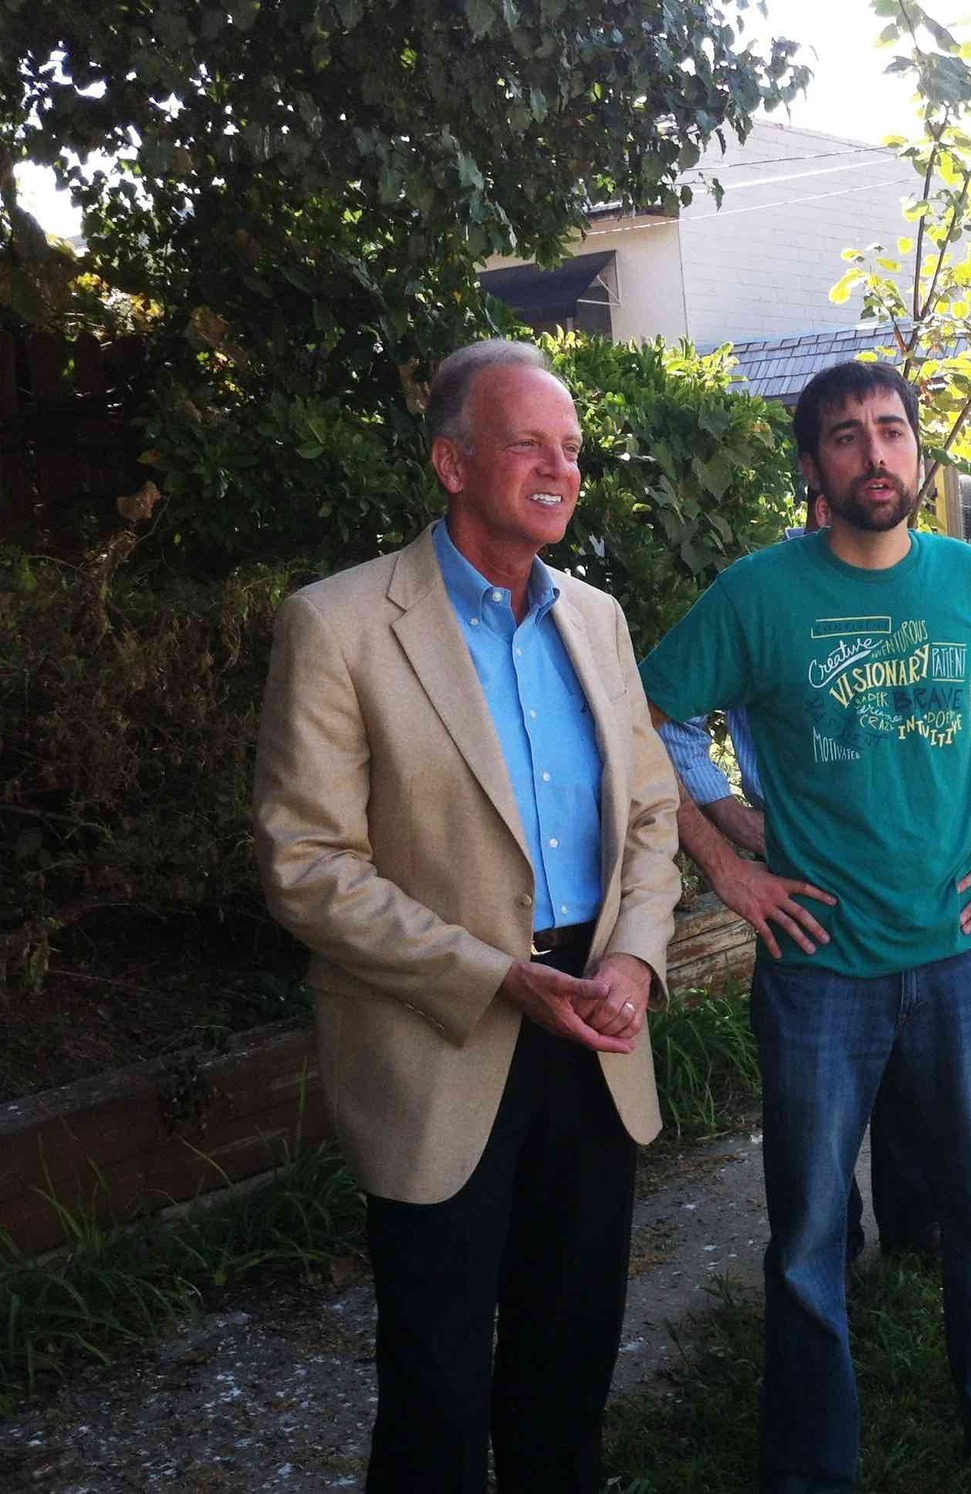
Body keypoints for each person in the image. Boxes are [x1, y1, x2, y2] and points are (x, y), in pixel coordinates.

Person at [637, 360, 971, 1489]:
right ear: (812, 468)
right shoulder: (757, 595)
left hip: (953, 958)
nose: (874, 455)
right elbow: (641, 718)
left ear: (913, 450)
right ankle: (812, 1468)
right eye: (845, 438)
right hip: (816, 969)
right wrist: (726, 866)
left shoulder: (965, 580)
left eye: (890, 431)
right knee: (803, 1243)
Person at [251, 339, 681, 1491]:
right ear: (451, 460)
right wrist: (496, 976)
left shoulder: (597, 618)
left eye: (573, 448)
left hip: (595, 1025)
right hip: (444, 1031)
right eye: (528, 443)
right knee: (436, 1384)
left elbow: (649, 816)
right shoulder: (339, 624)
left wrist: (634, 960)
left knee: (569, 1361)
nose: (559, 467)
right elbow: (305, 863)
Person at [659, 494, 938, 1262]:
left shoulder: (919, 579)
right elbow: (659, 718)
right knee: (817, 1109)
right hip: (810, 888)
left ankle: (915, 1240)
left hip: (918, 902)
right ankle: (830, 1250)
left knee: (913, 1092)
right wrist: (726, 828)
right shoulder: (767, 594)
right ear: (818, 496)